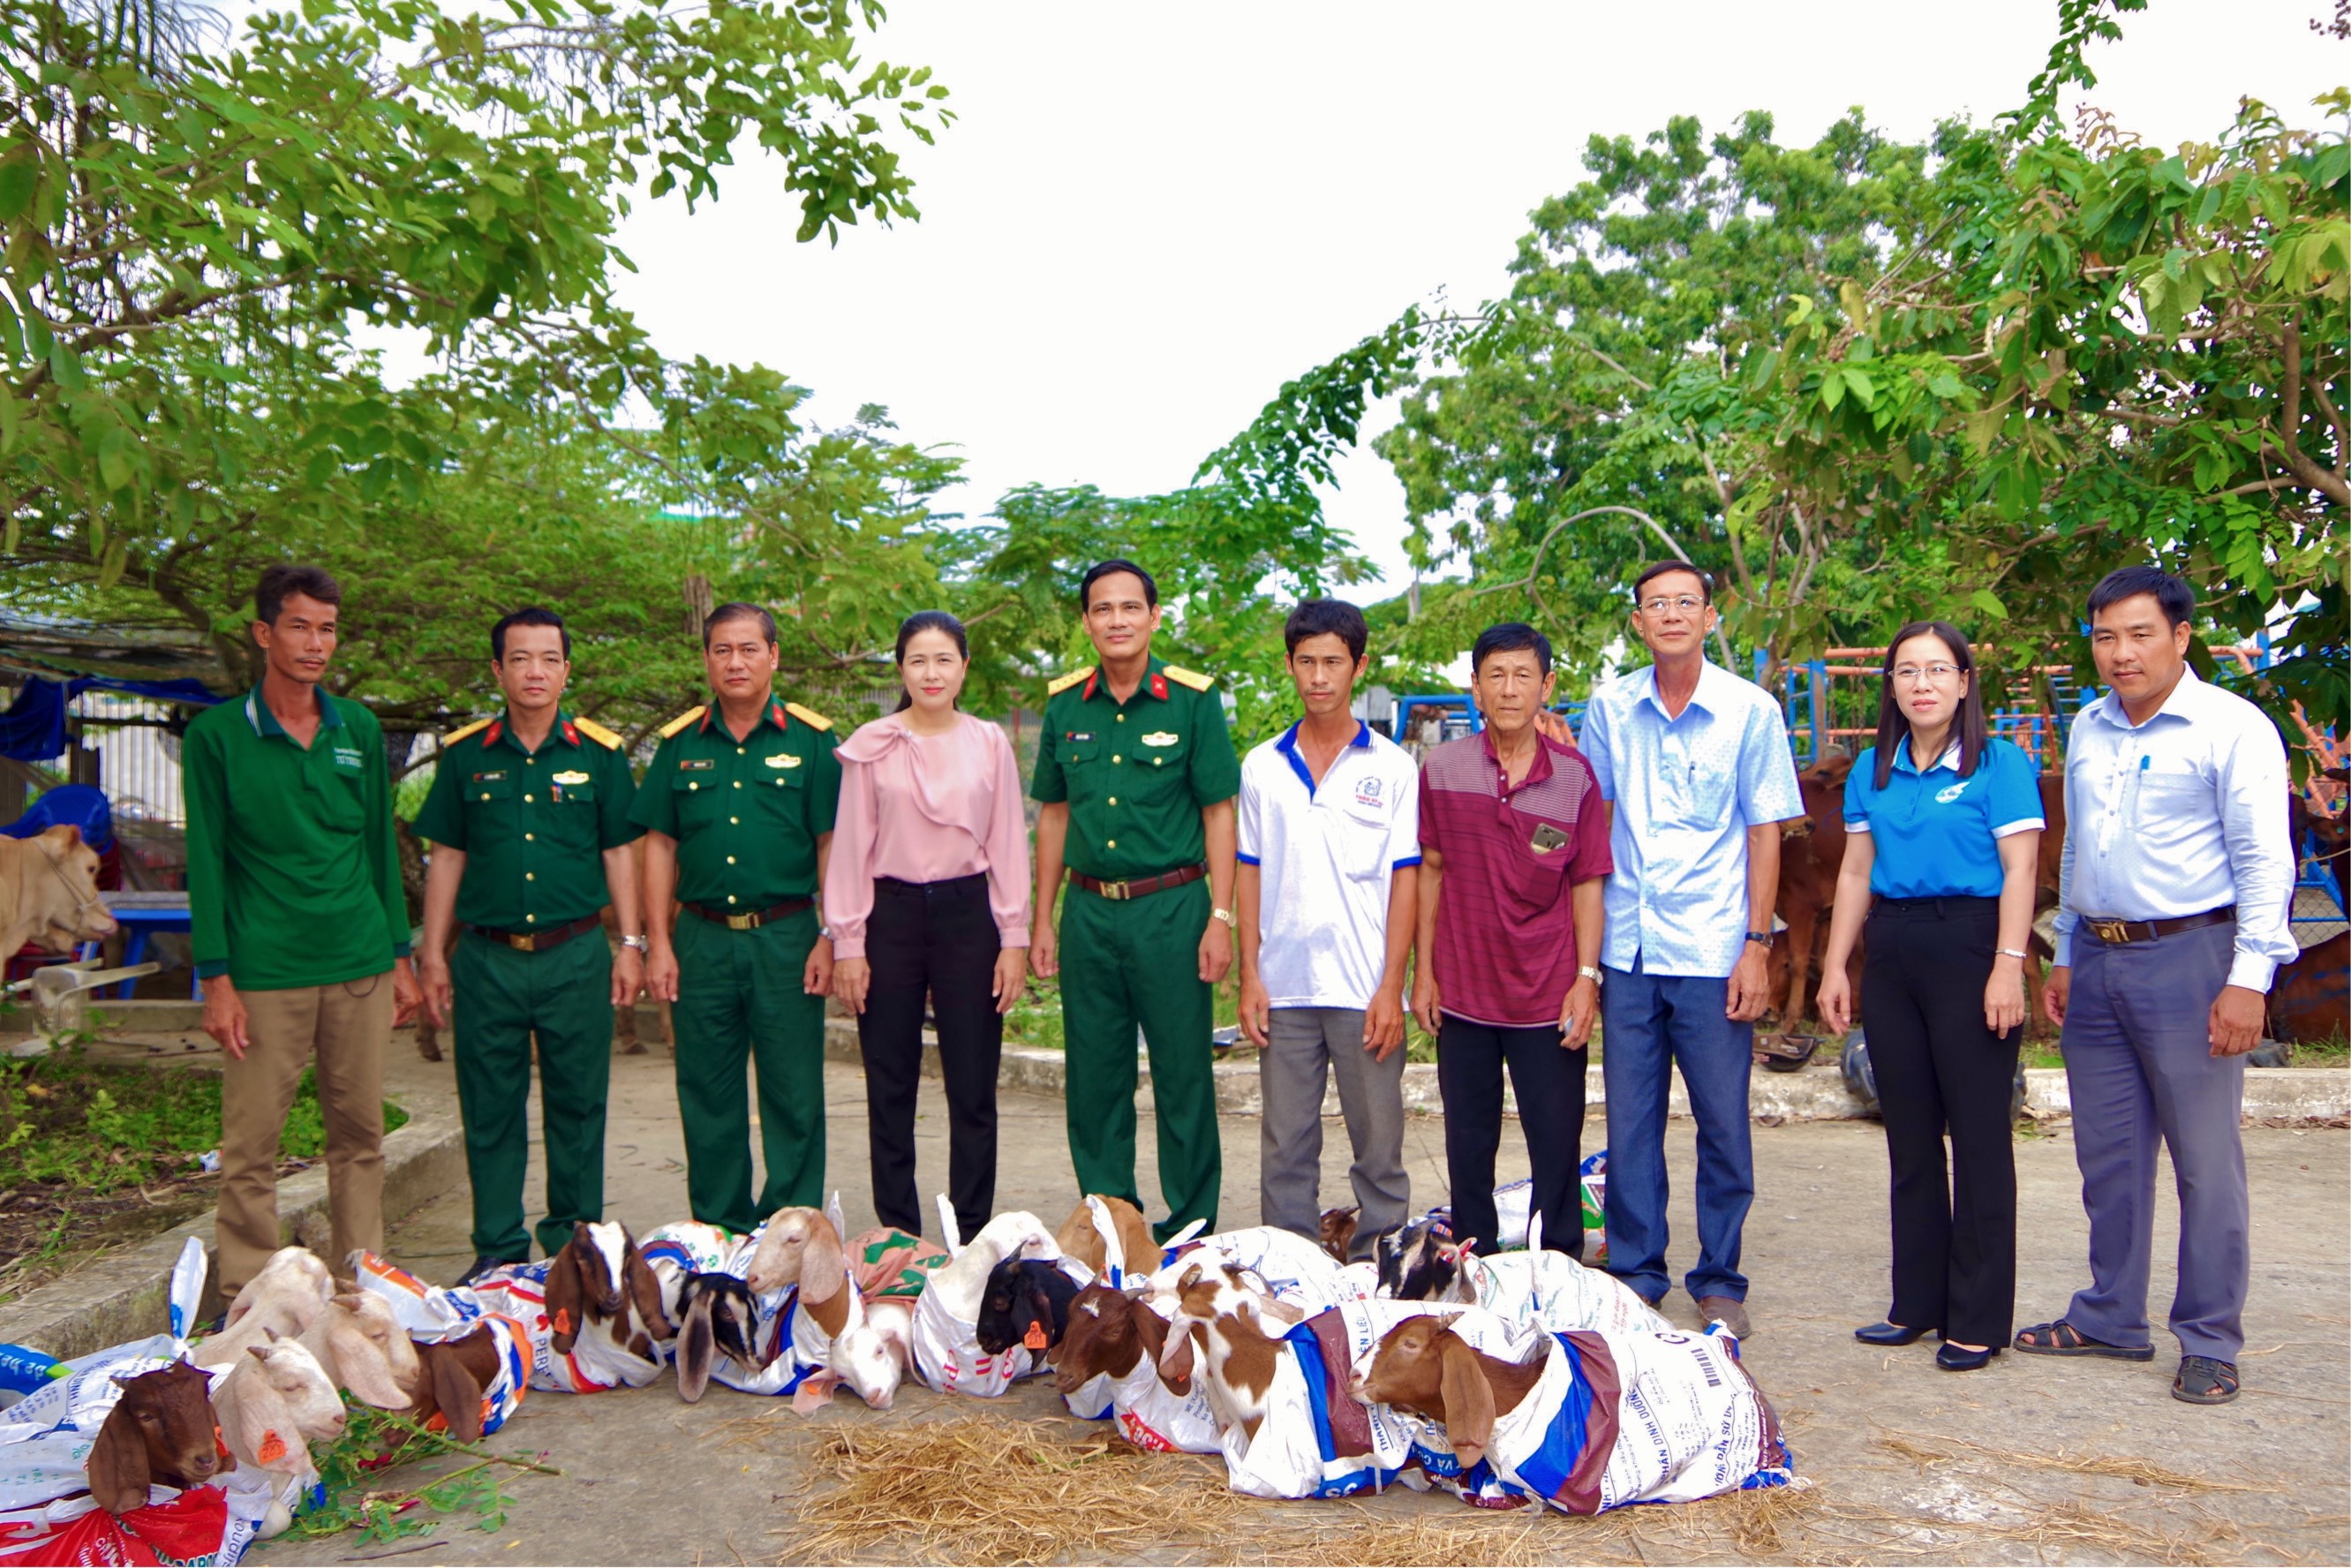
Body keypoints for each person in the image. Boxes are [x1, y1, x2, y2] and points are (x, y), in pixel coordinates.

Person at [2018, 567, 2295, 1406]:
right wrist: (2064, 950)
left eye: (2139, 634)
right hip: (2096, 961)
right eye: (2104, 636)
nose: (2120, 653)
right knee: (2107, 1157)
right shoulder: (2091, 728)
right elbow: (2075, 852)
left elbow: (2263, 860)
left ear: (2181, 637)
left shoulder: (2231, 727)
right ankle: (2108, 1315)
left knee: (2204, 1161)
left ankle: (2209, 1337)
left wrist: (2249, 979)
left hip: (2192, 959)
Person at [185, 564, 421, 1296]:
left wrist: (399, 956)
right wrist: (217, 977)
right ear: (264, 634)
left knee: (359, 1139)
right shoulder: (218, 735)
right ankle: (249, 1300)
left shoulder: (357, 728)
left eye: (327, 628)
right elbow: (208, 862)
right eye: (299, 626)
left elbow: (379, 849)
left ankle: (362, 1290)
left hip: (358, 963)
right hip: (264, 973)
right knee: (251, 1147)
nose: (316, 644)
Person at [1579, 562, 1802, 1336]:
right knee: (1629, 1121)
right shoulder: (1610, 707)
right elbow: (1595, 818)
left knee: (1721, 1119)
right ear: (1636, 623)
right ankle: (1636, 1272)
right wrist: (1589, 954)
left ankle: (1719, 1279)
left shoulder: (1751, 711)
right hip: (1630, 945)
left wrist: (1755, 944)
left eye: (1685, 602)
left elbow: (1763, 830)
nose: (1669, 614)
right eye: (1654, 605)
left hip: (1714, 948)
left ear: (1710, 618)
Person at [1815, 622, 2044, 1371]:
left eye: (1937, 670)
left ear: (1964, 682)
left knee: (1977, 1139)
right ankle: (1915, 1304)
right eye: (1906, 671)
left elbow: (2019, 872)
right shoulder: (1872, 771)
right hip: (1894, 949)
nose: (1921, 684)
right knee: (1908, 1138)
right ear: (1890, 686)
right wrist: (1835, 966)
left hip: (1972, 944)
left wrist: (2008, 966)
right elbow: (1854, 873)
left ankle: (1975, 1319)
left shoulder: (1999, 765)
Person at [412, 607, 646, 1285]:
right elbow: (447, 857)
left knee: (579, 1102)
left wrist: (629, 944)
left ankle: (575, 1246)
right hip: (486, 957)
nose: (534, 672)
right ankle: (496, 1247)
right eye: (520, 659)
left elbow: (619, 855)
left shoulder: (598, 755)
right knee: (489, 1103)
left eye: (548, 659)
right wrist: (432, 952)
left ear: (566, 671)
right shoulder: (465, 757)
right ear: (498, 671)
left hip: (574, 953)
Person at [1029, 559, 1240, 1242]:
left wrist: (1221, 917)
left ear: (1153, 616)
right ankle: (1109, 1219)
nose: (1115, 620)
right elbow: (1053, 817)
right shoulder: (1065, 706)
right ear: (1085, 621)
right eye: (1101, 609)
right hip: (1089, 913)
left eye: (1129, 608)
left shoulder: (1191, 700)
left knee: (1182, 1074)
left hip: (1171, 910)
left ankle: (1189, 1228)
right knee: (1094, 1079)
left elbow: (1218, 812)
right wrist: (1043, 919)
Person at [630, 603, 841, 1237]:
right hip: (700, 939)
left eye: (749, 649)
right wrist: (657, 943)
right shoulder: (679, 746)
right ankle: (718, 1232)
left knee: (793, 1094)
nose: (735, 662)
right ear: (706, 660)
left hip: (786, 936)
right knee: (707, 1092)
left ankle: (789, 1228)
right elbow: (658, 846)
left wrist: (831, 934)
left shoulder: (811, 741)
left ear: (773, 656)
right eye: (722, 650)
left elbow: (832, 843)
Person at [825, 611, 1031, 1242]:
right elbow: (851, 848)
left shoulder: (988, 741)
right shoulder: (872, 743)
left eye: (944, 659)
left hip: (969, 916)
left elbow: (1006, 843)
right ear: (899, 668)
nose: (931, 672)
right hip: (888, 916)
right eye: (918, 660)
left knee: (972, 1087)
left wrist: (1013, 938)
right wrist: (848, 943)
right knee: (891, 1086)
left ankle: (972, 1235)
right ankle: (898, 1236)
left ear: (964, 667)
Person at [1411, 622, 1609, 1259]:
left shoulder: (1574, 779)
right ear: (1473, 686)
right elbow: (1431, 870)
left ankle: (1558, 1269)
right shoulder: (1442, 769)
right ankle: (1476, 1267)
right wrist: (1425, 971)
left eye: (1523, 675)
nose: (1508, 688)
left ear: (1546, 685)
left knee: (1555, 1144)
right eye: (1494, 675)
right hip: (1464, 993)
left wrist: (1585, 978)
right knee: (1468, 1147)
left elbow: (1586, 882)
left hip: (1546, 995)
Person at [1236, 599, 1420, 1255]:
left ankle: (1382, 1262)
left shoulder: (1393, 768)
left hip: (1363, 987)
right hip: (1282, 988)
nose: (1319, 677)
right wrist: (1249, 976)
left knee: (1378, 1141)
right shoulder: (1261, 765)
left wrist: (1389, 985)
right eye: (1306, 662)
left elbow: (1406, 878)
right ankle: (1289, 1264)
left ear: (1358, 667)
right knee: (1285, 1141)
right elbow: (1248, 871)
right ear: (1289, 666)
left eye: (1332, 663)